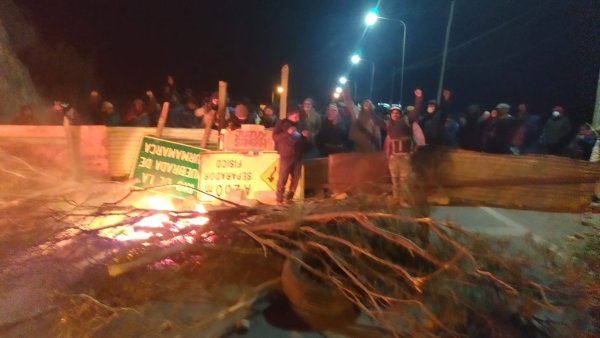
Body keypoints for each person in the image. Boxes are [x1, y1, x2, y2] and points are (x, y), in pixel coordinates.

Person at [384, 105, 425, 206]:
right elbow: (388, 142)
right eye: (393, 113)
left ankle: (403, 200)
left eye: (397, 113)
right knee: (394, 180)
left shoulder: (407, 123)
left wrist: (418, 99)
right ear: (390, 114)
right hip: (393, 157)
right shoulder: (389, 125)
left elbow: (416, 112)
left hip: (404, 156)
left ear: (401, 114)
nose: (395, 114)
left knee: (404, 180)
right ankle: (395, 199)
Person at [272, 109, 310, 204]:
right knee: (283, 176)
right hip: (286, 154)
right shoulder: (281, 123)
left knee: (296, 177)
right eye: (295, 116)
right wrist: (287, 133)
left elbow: (304, 141)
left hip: (298, 154)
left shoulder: (301, 125)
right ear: (289, 115)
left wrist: (305, 136)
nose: (297, 119)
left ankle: (290, 197)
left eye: (298, 117)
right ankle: (279, 198)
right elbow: (275, 137)